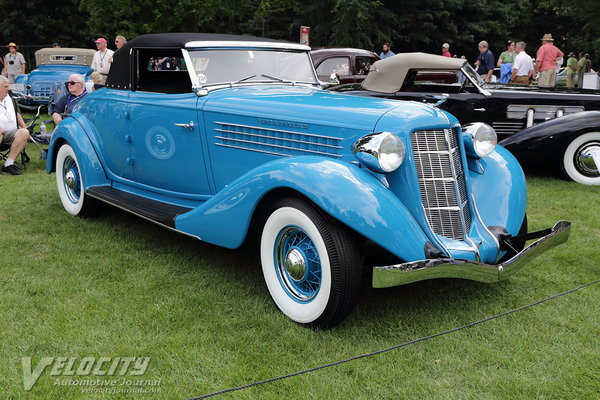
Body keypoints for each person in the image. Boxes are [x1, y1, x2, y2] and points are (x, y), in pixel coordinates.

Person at [0, 76, 30, 175]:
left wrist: (26, 128)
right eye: (6, 87)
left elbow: (17, 114)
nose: (9, 89)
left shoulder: (9, 99)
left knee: (24, 132)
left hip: (9, 134)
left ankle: (8, 165)